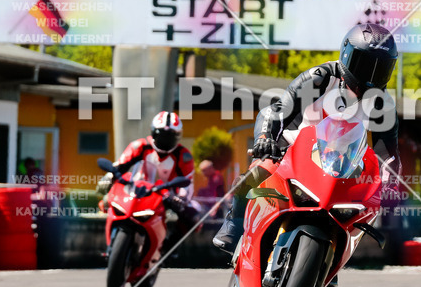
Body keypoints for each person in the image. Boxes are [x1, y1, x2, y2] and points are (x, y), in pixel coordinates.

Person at [213, 23, 400, 254]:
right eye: (364, 64)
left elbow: (388, 153)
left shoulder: (383, 104)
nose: (370, 78)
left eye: (379, 70)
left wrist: (390, 180)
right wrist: (265, 137)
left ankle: (332, 252)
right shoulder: (320, 78)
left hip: (341, 165)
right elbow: (276, 111)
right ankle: (234, 222)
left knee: (366, 205)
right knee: (254, 173)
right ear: (346, 55)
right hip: (292, 149)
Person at [111, 111, 198, 250]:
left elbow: (187, 182)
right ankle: (111, 241)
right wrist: (109, 177)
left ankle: (169, 248)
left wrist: (181, 198)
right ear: (154, 133)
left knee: (193, 219)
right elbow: (120, 165)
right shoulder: (139, 146)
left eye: (170, 137)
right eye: (162, 135)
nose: (166, 140)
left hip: (167, 195)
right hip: (136, 190)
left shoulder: (184, 155)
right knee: (106, 201)